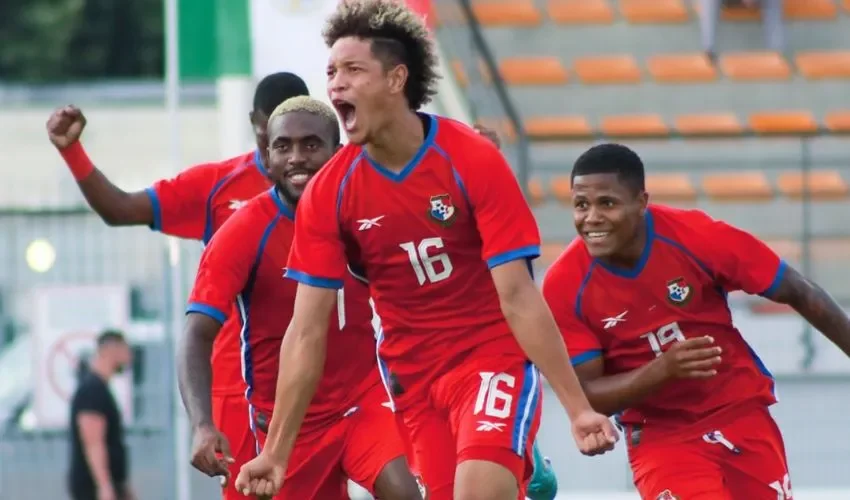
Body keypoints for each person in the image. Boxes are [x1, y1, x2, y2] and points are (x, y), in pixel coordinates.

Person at [235, 2, 618, 499]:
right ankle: (525, 476)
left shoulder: (471, 159)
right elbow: (306, 332)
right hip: (413, 380)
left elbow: (519, 296)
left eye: (353, 70)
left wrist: (577, 407)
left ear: (396, 79)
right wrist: (276, 453)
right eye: (331, 72)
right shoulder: (331, 191)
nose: (335, 85)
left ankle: (512, 463)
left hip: (490, 359)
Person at [46, 72, 311, 500]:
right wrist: (72, 151)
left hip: (321, 381)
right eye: (267, 138)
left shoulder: (338, 184)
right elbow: (121, 208)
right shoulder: (219, 186)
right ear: (253, 124)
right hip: (238, 390)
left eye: (290, 137)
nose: (276, 153)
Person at [541, 143, 850, 499]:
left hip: (739, 411)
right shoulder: (565, 284)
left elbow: (798, 290)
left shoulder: (697, 236)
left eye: (607, 203)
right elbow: (590, 397)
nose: (591, 218)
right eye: (581, 205)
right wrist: (662, 370)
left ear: (641, 202)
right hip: (661, 436)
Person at [178, 95, 422, 499]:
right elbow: (195, 334)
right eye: (283, 146)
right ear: (266, 155)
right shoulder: (242, 233)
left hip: (361, 400)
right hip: (287, 426)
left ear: (337, 153)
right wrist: (202, 423)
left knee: (403, 491)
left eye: (311, 145)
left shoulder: (365, 212)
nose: (297, 157)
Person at [68, 330, 134, 500]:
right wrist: (104, 486)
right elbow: (93, 443)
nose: (129, 357)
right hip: (92, 489)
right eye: (125, 350)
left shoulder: (100, 389)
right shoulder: (92, 390)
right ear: (111, 351)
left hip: (109, 485)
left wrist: (122, 486)